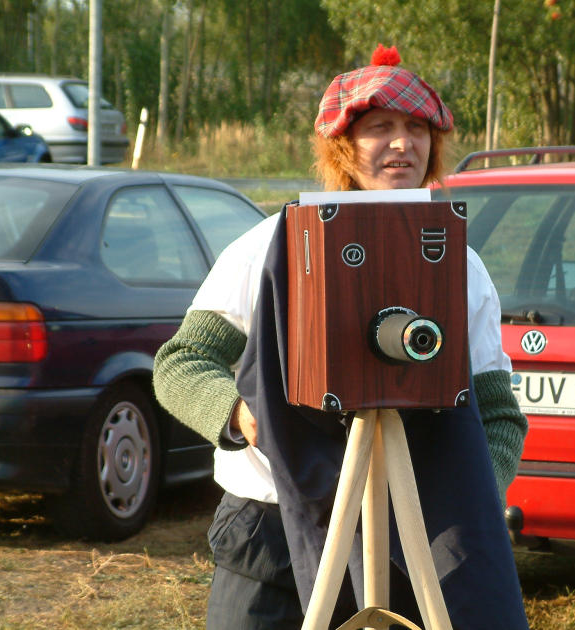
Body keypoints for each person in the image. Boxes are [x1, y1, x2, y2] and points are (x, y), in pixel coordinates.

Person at [153, 44, 529, 630]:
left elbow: (499, 414)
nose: (402, 144)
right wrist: (240, 415)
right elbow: (182, 361)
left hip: (412, 541)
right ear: (342, 147)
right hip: (271, 531)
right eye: (380, 128)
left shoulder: (460, 265)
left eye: (416, 129)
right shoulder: (271, 246)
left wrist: (467, 501)